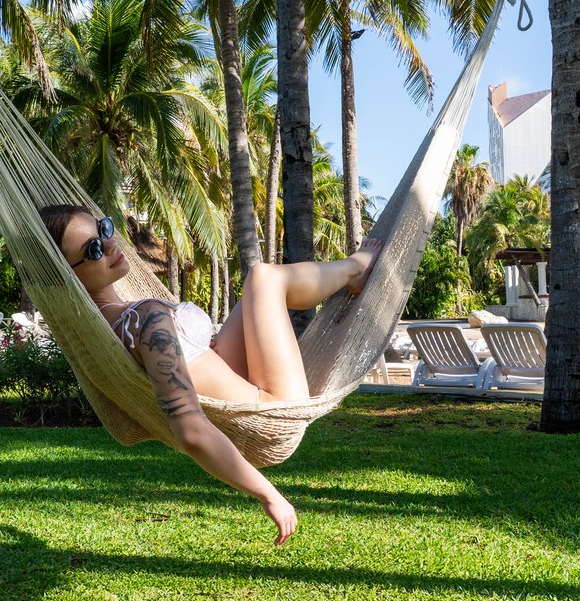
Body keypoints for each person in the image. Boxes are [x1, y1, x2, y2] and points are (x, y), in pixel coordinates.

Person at [40, 204, 382, 547]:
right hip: (271, 417)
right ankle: (355, 270)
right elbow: (190, 431)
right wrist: (268, 494)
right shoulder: (145, 319)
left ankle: (351, 272)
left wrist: (202, 344)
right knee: (265, 278)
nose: (111, 245)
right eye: (93, 249)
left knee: (257, 281)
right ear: (67, 275)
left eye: (104, 229)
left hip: (241, 390)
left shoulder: (110, 326)